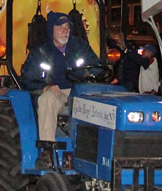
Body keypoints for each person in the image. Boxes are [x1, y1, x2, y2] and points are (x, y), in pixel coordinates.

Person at [20, 12, 102, 169]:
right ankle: (48, 149)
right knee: (46, 99)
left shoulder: (80, 47)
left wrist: (95, 76)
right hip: (56, 94)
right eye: (60, 27)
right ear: (51, 29)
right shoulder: (41, 52)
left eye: (67, 27)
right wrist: (45, 87)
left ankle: (96, 151)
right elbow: (28, 78)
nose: (65, 31)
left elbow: (95, 66)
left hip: (80, 91)